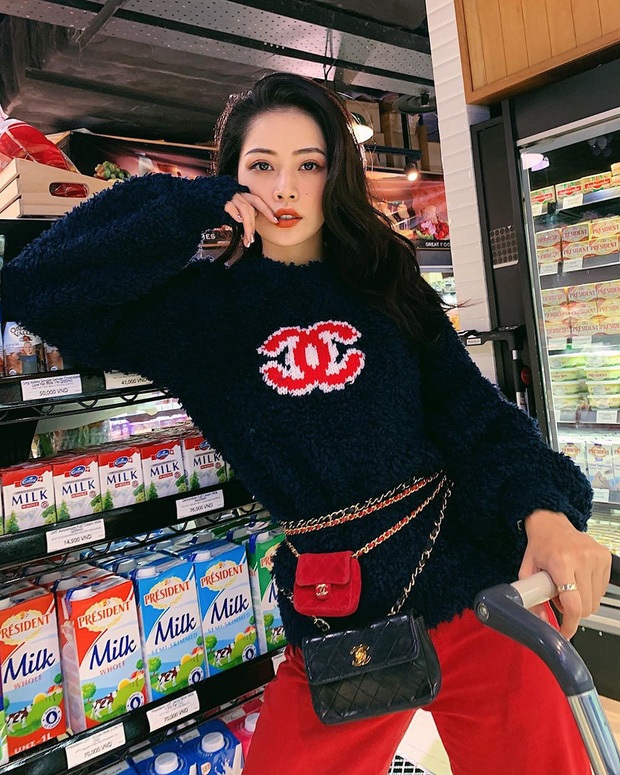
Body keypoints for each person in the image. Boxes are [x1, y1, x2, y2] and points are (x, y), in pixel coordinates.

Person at [2, 73, 611, 775]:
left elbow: (473, 414)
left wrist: (545, 512)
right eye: (262, 166)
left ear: (335, 175)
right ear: (231, 178)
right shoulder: (197, 314)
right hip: (338, 617)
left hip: (474, 586)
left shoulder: (385, 280)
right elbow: (33, 287)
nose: (285, 188)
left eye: (309, 165)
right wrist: (183, 201)